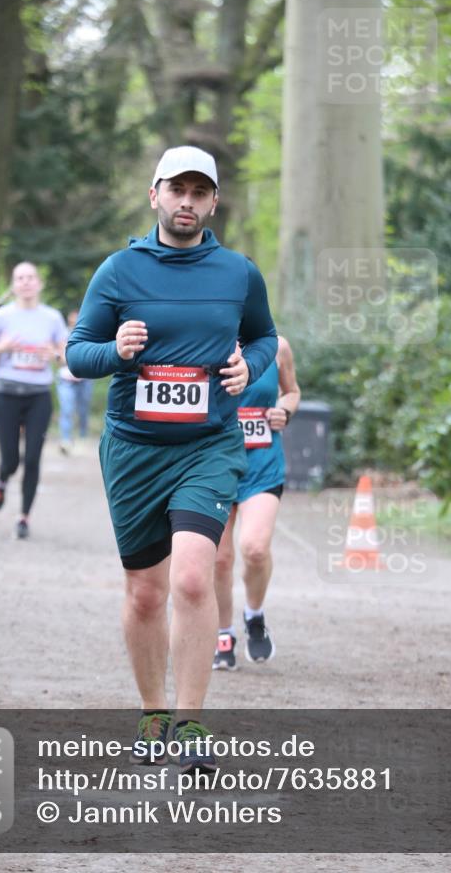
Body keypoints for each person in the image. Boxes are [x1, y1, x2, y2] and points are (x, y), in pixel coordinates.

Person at [67, 146, 277, 772]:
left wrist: (250, 364)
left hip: (207, 445)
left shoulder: (238, 272)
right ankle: (153, 712)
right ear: (154, 194)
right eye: (176, 189)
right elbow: (78, 355)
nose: (187, 201)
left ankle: (189, 725)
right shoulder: (118, 271)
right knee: (144, 594)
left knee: (193, 575)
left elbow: (265, 335)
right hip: (133, 449)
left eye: (199, 191)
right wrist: (117, 351)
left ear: (213, 202)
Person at [212, 335, 300, 671]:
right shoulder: (205, 339)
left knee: (255, 548)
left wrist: (284, 411)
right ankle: (223, 632)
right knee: (219, 559)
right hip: (215, 463)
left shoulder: (278, 347)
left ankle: (254, 614)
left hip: (262, 464)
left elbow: (292, 391)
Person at [0, 262, 67, 541]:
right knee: (11, 459)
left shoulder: (51, 318)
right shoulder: (2, 317)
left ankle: (24, 516)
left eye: (30, 278)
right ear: (13, 285)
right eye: (20, 278)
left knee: (34, 458)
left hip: (38, 395)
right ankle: (2, 479)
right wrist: (3, 348)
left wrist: (54, 355)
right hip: (7, 395)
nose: (25, 282)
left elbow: (68, 354)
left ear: (39, 283)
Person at [57, 309, 94, 455]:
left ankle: (82, 436)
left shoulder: (90, 333)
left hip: (85, 379)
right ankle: (66, 440)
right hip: (66, 379)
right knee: (66, 409)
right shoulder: (62, 334)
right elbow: (57, 355)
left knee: (83, 410)